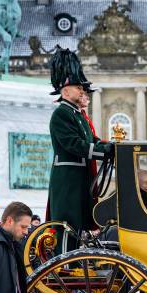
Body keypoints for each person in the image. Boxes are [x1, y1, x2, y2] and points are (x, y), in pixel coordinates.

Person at [47, 47, 113, 243]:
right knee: (69, 224)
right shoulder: (62, 113)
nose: (82, 91)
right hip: (69, 179)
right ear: (65, 91)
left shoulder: (78, 115)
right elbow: (74, 144)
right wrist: (103, 150)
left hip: (81, 177)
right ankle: (65, 267)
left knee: (81, 224)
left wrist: (109, 147)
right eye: (79, 88)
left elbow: (92, 140)